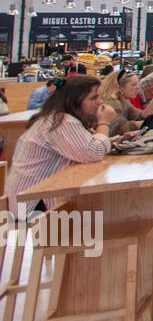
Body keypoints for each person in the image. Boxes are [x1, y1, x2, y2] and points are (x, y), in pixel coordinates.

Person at [10, 75, 117, 217]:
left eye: (99, 97)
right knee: (99, 215)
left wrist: (114, 140)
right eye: (93, 98)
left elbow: (86, 146)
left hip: (35, 199)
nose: (100, 102)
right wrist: (104, 123)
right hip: (32, 207)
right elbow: (93, 152)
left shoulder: (59, 118)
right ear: (75, 101)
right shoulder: (61, 121)